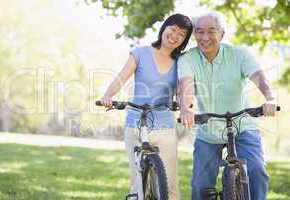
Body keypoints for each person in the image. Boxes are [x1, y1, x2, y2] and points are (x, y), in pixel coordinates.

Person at [177, 11, 277, 200]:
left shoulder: (239, 54)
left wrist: (269, 98)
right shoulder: (187, 59)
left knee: (257, 172)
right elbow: (187, 86)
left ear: (221, 34)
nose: (205, 37)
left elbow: (259, 78)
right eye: (199, 32)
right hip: (209, 129)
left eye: (211, 31)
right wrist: (185, 109)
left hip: (242, 126)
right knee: (200, 185)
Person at [100, 14, 193, 200]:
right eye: (172, 29)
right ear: (164, 28)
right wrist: (108, 95)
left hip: (164, 125)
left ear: (184, 40)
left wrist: (186, 107)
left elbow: (185, 89)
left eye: (181, 34)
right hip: (136, 122)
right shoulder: (141, 53)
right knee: (137, 183)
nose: (175, 35)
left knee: (171, 185)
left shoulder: (182, 61)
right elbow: (121, 78)